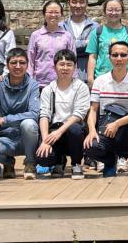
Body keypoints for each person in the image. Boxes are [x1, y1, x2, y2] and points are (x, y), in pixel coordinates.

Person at [83, 41, 128, 178]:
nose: (119, 58)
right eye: (115, 55)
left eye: (123, 55)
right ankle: (110, 163)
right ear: (109, 57)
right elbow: (93, 110)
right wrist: (91, 131)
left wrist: (117, 123)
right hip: (107, 129)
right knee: (88, 146)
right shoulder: (100, 81)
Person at [0, 48, 41, 179]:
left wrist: (4, 120)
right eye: (14, 62)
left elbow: (34, 114)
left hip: (26, 138)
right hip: (5, 139)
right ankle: (8, 163)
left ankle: (30, 162)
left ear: (27, 65)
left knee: (29, 123)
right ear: (7, 65)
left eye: (22, 62)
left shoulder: (33, 85)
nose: (18, 66)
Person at [35, 49, 90, 180]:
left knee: (75, 129)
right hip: (54, 131)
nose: (65, 68)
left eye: (69, 64)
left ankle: (76, 164)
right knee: (43, 157)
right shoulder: (48, 89)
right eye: (61, 64)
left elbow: (79, 114)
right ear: (54, 67)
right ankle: (58, 162)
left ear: (75, 67)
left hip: (74, 132)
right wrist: (45, 140)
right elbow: (44, 115)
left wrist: (59, 132)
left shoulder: (81, 87)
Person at [85, 0, 128, 87]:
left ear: (122, 12)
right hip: (102, 79)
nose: (113, 13)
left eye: (117, 10)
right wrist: (90, 78)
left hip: (126, 79)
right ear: (104, 11)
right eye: (110, 10)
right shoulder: (97, 32)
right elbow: (92, 57)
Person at [28, 0, 75, 88]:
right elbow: (30, 60)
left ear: (61, 14)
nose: (53, 15)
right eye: (50, 12)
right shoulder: (36, 35)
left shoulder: (67, 36)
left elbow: (73, 59)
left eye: (56, 12)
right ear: (44, 14)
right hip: (40, 83)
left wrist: (74, 79)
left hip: (62, 82)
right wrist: (29, 80)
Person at [61, 0, 99, 79]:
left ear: (87, 4)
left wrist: (71, 45)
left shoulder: (95, 27)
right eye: (74, 2)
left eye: (82, 2)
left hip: (88, 76)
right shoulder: (61, 27)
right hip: (65, 77)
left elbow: (94, 50)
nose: (78, 6)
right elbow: (60, 50)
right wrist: (86, 43)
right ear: (69, 3)